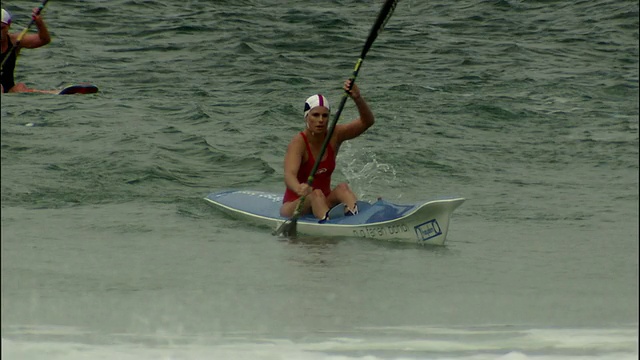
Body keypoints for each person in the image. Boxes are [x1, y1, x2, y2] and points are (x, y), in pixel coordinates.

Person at [280, 79, 375, 223]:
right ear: (307, 117)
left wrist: (357, 98)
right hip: (295, 205)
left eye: (325, 116)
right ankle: (330, 223)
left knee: (343, 187)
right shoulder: (298, 142)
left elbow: (367, 122)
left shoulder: (334, 135)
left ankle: (357, 217)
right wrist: (299, 188)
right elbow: (289, 175)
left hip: (324, 200)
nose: (321, 120)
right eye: (315, 115)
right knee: (315, 194)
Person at [1, 7, 52, 94]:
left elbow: (44, 40)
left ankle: (49, 93)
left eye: (1, 28)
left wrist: (39, 22)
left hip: (10, 91)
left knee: (20, 87)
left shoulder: (15, 41)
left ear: (9, 26)